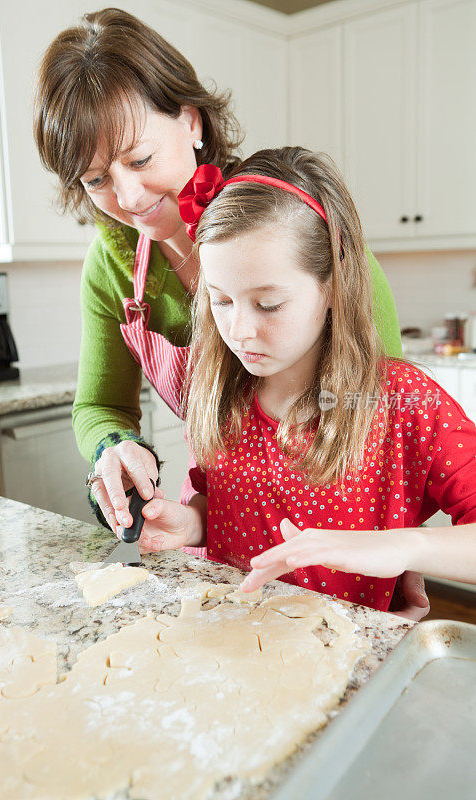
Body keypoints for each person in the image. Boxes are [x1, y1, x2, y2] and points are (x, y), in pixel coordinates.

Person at [33, 9, 425, 616]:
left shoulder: (297, 226)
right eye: (95, 180)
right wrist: (114, 447)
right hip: (226, 522)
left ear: (190, 121)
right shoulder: (112, 267)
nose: (129, 199)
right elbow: (100, 404)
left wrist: (401, 552)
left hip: (344, 528)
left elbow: (388, 425)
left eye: (138, 160)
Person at [135, 147, 476, 613]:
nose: (239, 331)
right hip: (238, 647)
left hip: (346, 664)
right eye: (221, 300)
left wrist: (404, 545)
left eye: (268, 304)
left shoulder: (403, 404)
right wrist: (191, 523)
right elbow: (234, 511)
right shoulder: (217, 391)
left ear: (334, 285)